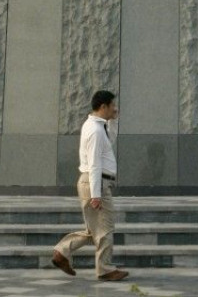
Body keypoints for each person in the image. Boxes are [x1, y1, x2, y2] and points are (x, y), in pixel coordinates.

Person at [52, 90, 129, 282]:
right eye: (112, 105)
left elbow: (108, 142)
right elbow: (95, 163)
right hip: (96, 182)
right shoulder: (95, 130)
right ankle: (104, 269)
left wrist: (114, 121)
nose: (115, 108)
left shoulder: (95, 126)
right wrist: (96, 194)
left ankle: (61, 253)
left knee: (95, 229)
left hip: (93, 182)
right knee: (105, 228)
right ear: (103, 106)